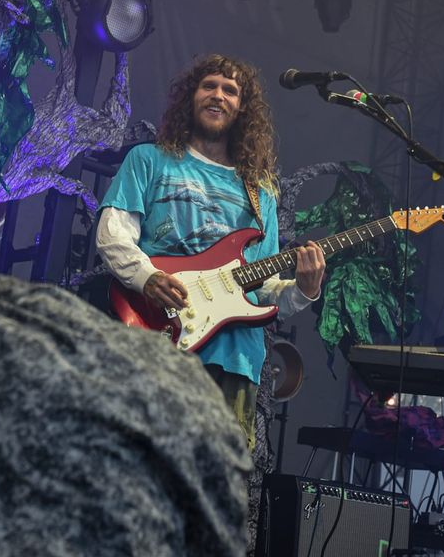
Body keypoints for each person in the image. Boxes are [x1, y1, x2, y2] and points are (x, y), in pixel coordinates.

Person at [95, 54, 325, 449]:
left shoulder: (260, 192)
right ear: (191, 97)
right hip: (156, 339)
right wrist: (147, 278)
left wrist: (304, 290)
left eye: (230, 90)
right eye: (209, 86)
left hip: (234, 362)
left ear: (242, 109)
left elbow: (264, 291)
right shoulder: (149, 160)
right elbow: (112, 235)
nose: (218, 95)